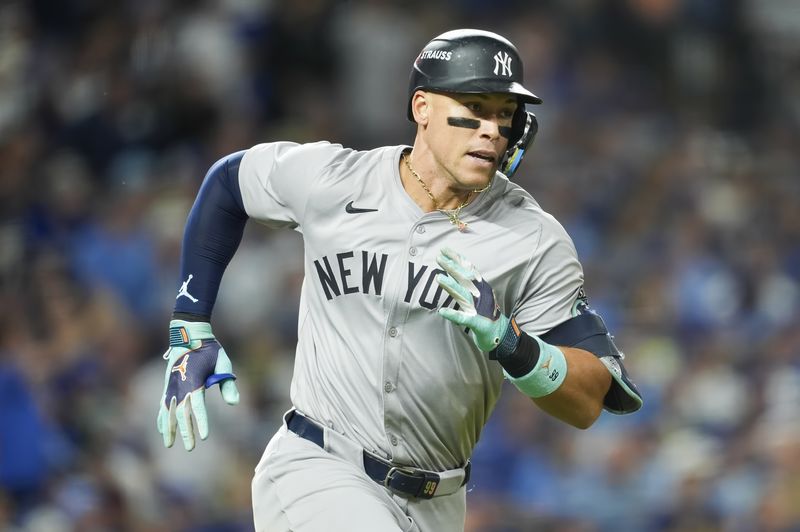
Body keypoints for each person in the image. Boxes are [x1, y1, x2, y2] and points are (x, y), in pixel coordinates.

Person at [156, 28, 643, 532]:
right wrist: (191, 321)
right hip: (318, 467)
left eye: (504, 113)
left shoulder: (533, 239)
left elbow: (589, 400)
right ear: (422, 107)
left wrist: (512, 344)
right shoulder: (335, 179)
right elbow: (228, 182)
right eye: (474, 107)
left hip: (439, 503)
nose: (492, 129)